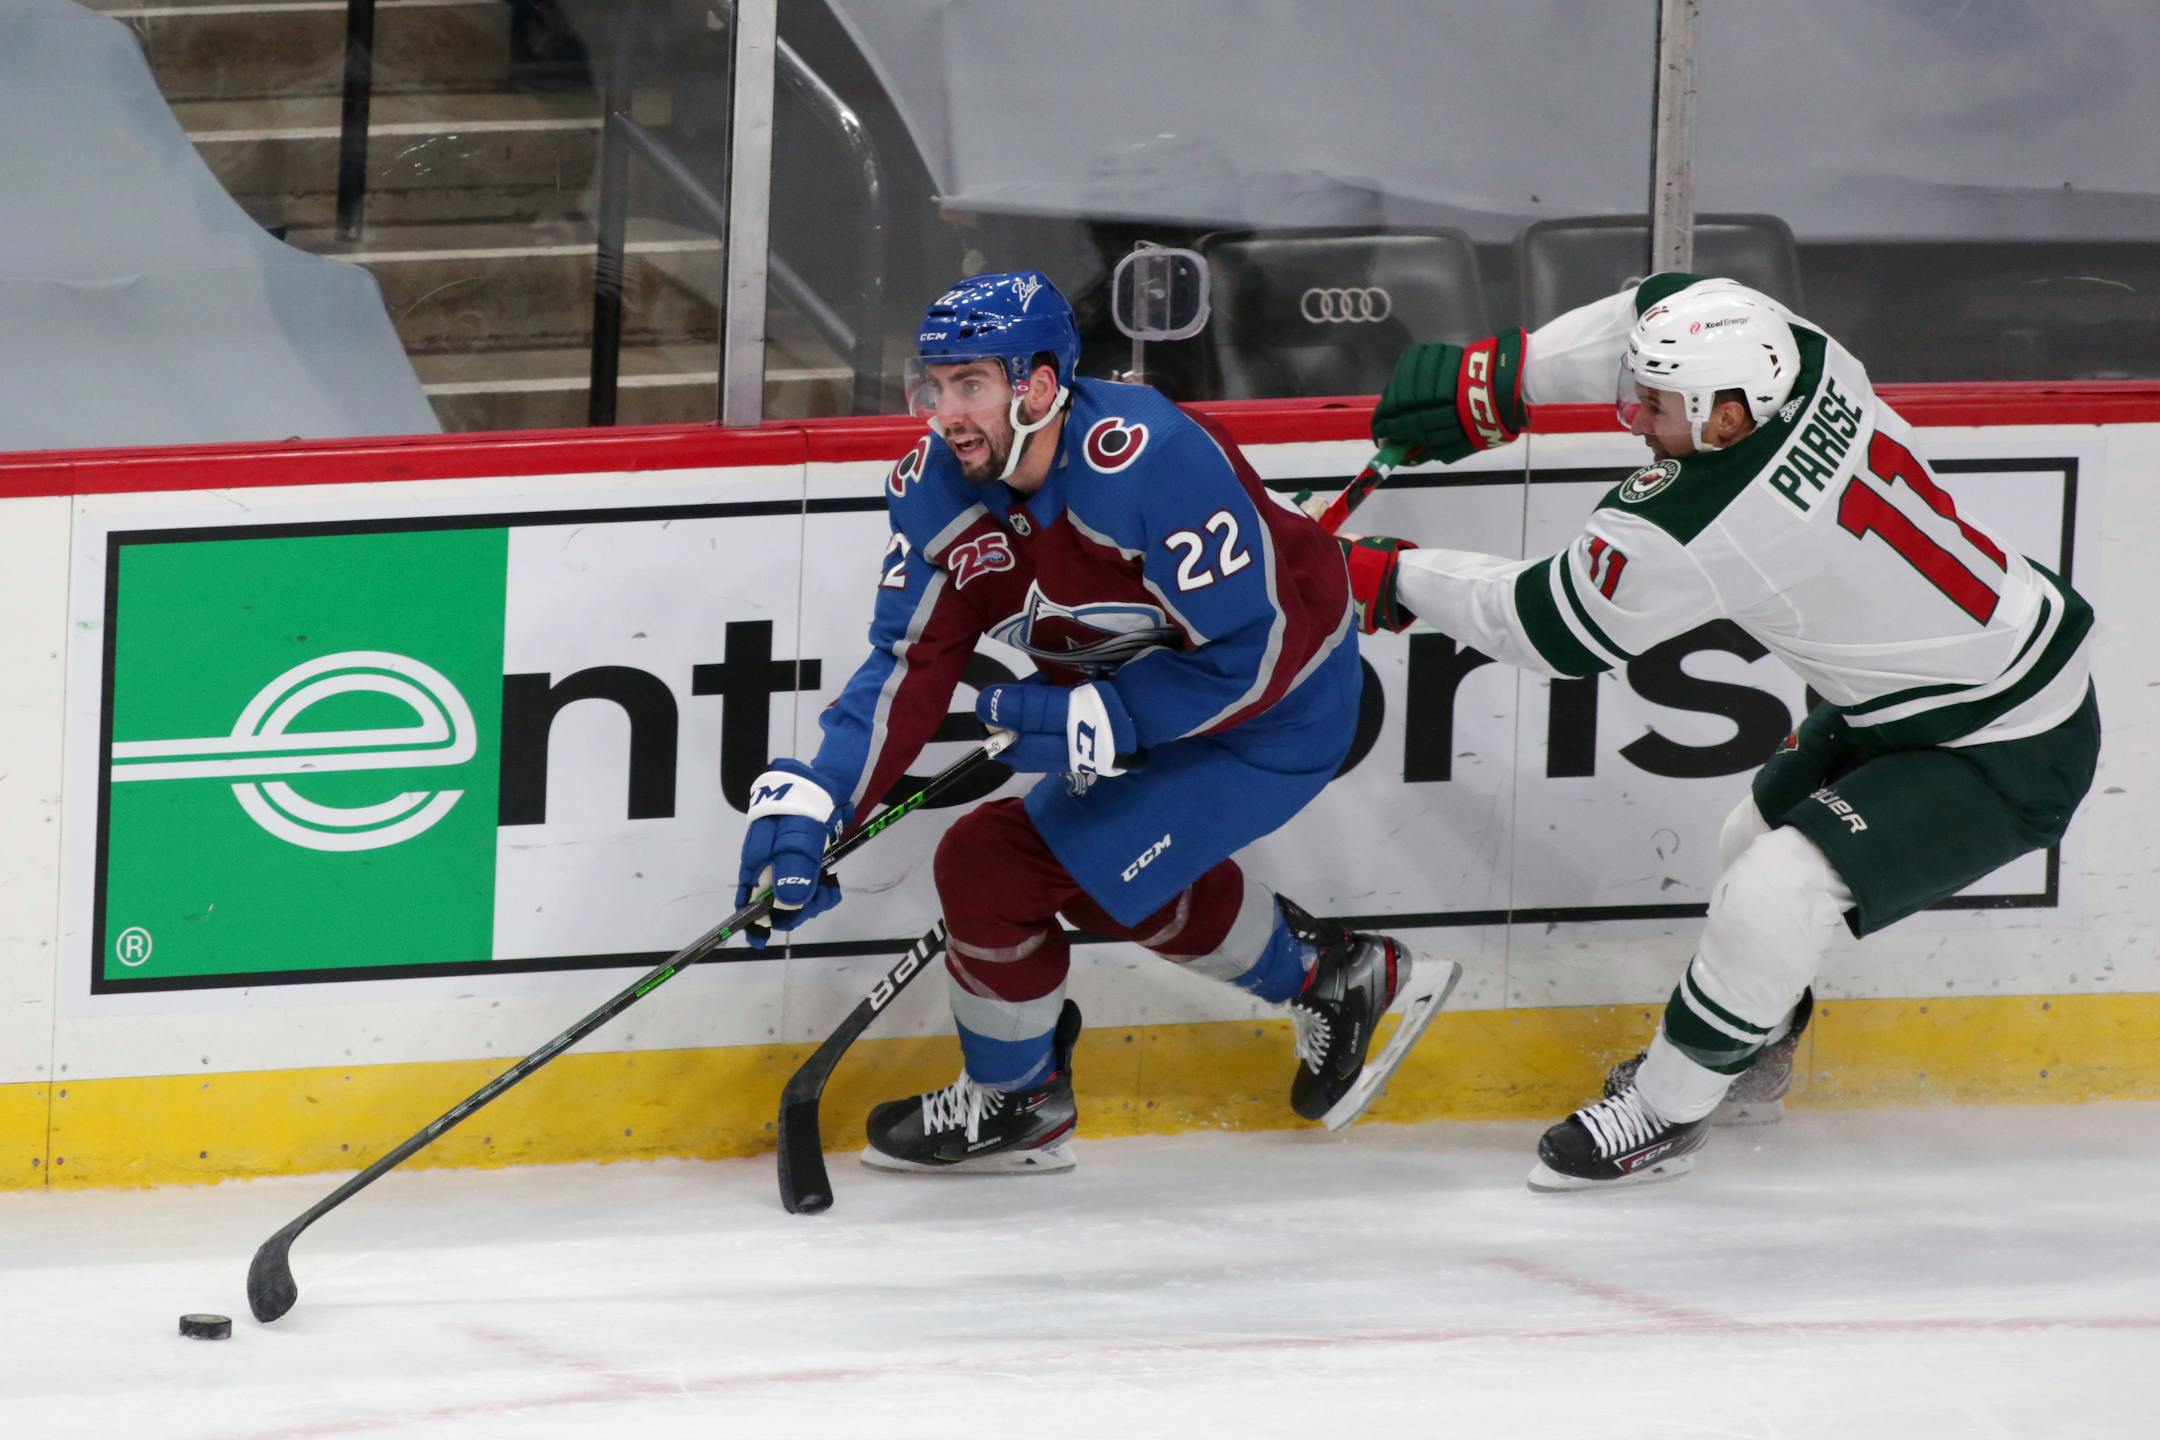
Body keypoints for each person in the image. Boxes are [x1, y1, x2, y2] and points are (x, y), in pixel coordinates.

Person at [1346, 273, 2100, 1191]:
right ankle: (1747, 1054)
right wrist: (1511, 378)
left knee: (1774, 890)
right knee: (1748, 838)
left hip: (2009, 743)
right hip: (1930, 692)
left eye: (1657, 407)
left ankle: (1666, 1110)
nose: (1635, 419)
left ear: (1731, 417)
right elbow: (1659, 301)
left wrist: (1394, 575)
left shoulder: (1706, 520)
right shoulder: (1809, 361)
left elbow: (1546, 628)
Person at [736, 271, 1459, 1174]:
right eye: (934, 385)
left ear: (1039, 386)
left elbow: (1258, 653)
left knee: (1008, 865)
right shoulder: (937, 488)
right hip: (1155, 702)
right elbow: (906, 666)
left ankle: (1024, 1097)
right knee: (1051, 867)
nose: (944, 413)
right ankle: (1330, 973)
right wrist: (819, 803)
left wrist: (1108, 714)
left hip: (1278, 712)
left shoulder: (1147, 459)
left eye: (972, 385)